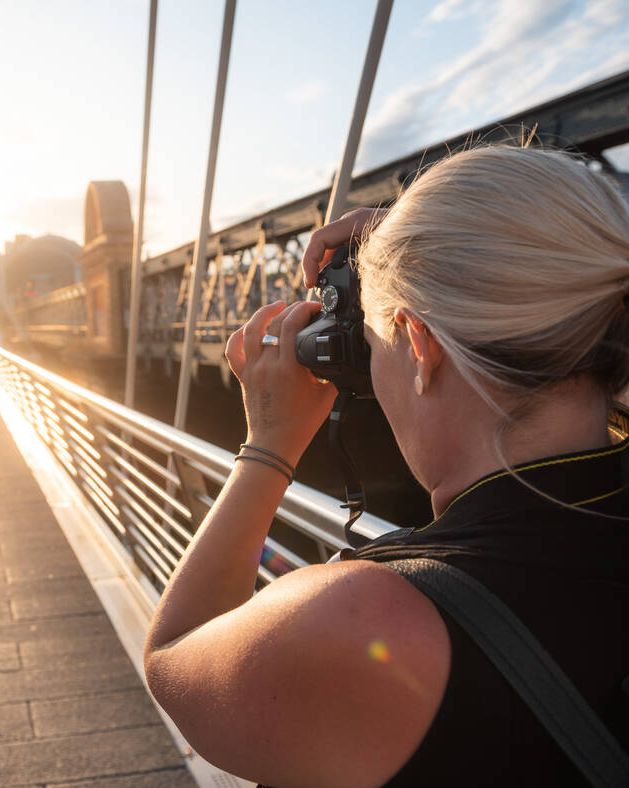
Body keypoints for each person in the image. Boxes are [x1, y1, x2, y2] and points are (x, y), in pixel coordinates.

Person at [144, 146, 629, 787]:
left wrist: (268, 443)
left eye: (372, 344)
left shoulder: (369, 625)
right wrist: (447, 249)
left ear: (422, 347)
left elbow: (174, 655)